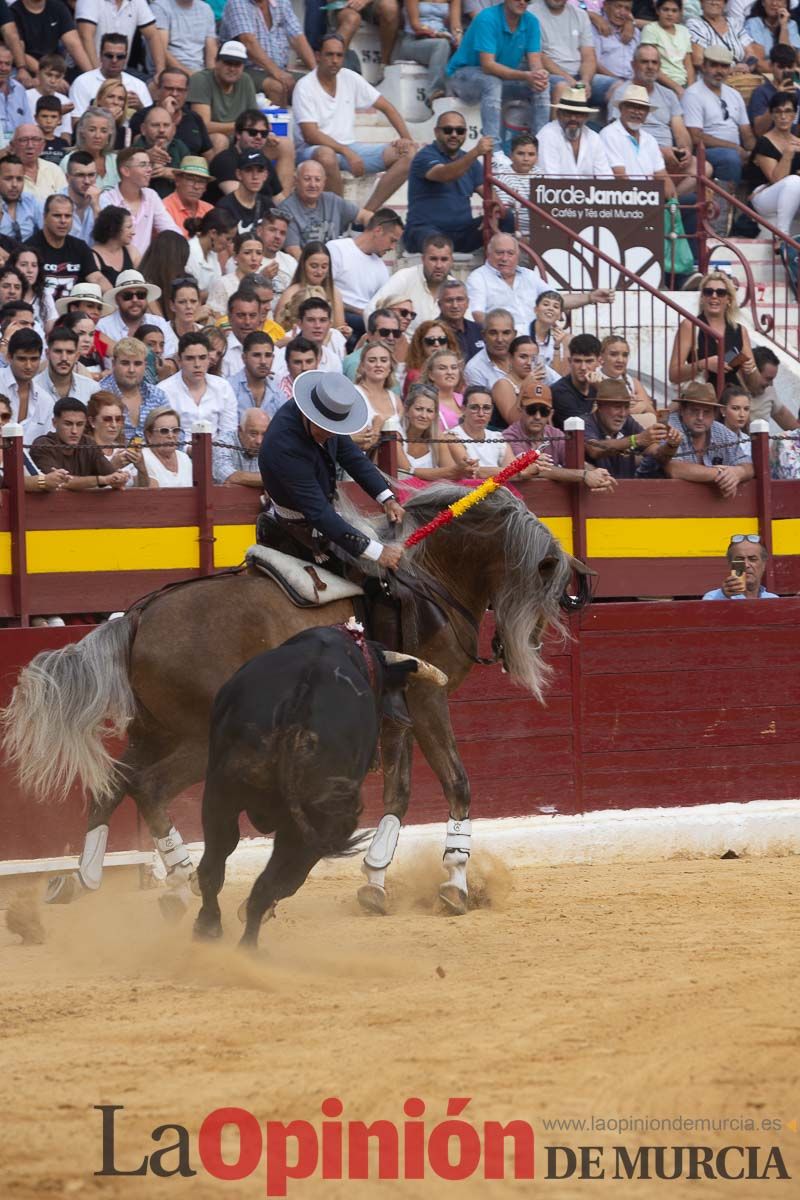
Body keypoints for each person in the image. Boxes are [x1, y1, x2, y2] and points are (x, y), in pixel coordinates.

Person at [258, 371, 405, 570]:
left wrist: (387, 498)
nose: (330, 435)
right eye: (325, 428)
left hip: (322, 512)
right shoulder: (284, 446)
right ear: (309, 415)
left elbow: (353, 458)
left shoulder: (326, 415)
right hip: (299, 524)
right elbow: (318, 513)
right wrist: (379, 552)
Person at [292, 33, 416, 213]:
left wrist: (406, 138)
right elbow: (310, 135)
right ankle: (340, 217)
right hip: (312, 151)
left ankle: (365, 215)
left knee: (408, 153)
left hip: (350, 147)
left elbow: (387, 107)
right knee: (327, 155)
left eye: (339, 55)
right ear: (318, 56)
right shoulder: (305, 86)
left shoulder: (349, 77)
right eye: (329, 54)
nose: (335, 60)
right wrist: (346, 152)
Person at [446, 0, 549, 144]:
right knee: (492, 82)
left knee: (541, 85)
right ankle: (494, 149)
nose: (522, 2)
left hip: (500, 78)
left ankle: (541, 146)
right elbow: (488, 65)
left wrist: (539, 74)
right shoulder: (487, 17)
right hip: (463, 76)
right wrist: (526, 75)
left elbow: (535, 61)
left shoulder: (531, 21)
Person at [608, 43, 705, 197]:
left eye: (654, 62)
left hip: (670, 158)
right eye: (644, 62)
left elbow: (680, 131)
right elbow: (619, 135)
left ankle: (666, 205)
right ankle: (662, 205)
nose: (650, 66)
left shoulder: (668, 94)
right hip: (638, 155)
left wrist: (684, 150)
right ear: (633, 65)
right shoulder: (623, 93)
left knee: (703, 167)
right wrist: (659, 152)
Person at [467, 232, 613, 332]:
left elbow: (555, 299)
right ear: (489, 253)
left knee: (570, 343)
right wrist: (504, 333)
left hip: (537, 339)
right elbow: (478, 315)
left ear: (517, 256)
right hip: (504, 342)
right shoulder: (478, 278)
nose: (505, 258)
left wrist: (590, 297)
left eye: (510, 253)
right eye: (499, 253)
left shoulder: (528, 275)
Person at [404, 113, 497, 254]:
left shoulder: (471, 162)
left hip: (461, 234)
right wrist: (476, 152)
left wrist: (492, 213)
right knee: (436, 242)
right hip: (426, 231)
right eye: (448, 130)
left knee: (506, 218)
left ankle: (500, 271)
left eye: (460, 131)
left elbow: (490, 195)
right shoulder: (424, 156)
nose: (454, 135)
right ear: (436, 132)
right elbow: (446, 175)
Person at [502, 376, 617, 489]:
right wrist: (584, 475)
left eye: (543, 411)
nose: (537, 416)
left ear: (551, 413)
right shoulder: (509, 436)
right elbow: (539, 470)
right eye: (531, 410)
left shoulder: (555, 434)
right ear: (521, 409)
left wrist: (597, 474)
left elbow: (576, 463)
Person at [669, 270, 757, 393]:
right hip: (704, 401)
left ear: (729, 300)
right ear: (702, 298)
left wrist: (751, 370)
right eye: (708, 292)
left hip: (732, 402)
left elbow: (755, 387)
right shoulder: (690, 326)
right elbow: (673, 375)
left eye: (721, 293)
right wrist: (703, 364)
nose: (714, 296)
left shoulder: (740, 331)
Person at [682, 46, 755, 192]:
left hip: (734, 151)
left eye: (724, 66)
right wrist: (734, 148)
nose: (719, 71)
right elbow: (696, 137)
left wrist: (755, 152)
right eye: (714, 65)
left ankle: (752, 210)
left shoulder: (734, 94)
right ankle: (723, 210)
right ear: (704, 66)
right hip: (707, 152)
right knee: (730, 158)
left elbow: (746, 133)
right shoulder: (693, 94)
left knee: (765, 156)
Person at [665, 380, 754, 496]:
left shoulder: (721, 431)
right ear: (682, 410)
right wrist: (720, 474)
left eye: (706, 412)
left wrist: (737, 473)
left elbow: (748, 465)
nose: (700, 417)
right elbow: (674, 468)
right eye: (694, 411)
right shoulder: (671, 425)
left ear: (714, 414)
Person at [218, 0, 315, 103]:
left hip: (278, 69)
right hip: (243, 70)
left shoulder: (282, 2)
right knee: (277, 87)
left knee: (314, 84)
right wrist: (278, 74)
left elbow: (297, 37)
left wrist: (316, 72)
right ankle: (280, 118)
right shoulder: (237, 3)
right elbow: (248, 42)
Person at [328, 209, 403, 341]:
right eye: (392, 240)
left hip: (367, 321)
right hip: (338, 317)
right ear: (378, 230)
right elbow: (323, 291)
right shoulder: (337, 249)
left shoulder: (381, 268)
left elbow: (383, 305)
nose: (393, 247)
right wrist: (359, 311)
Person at [583, 377, 679, 477]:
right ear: (600, 405)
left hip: (627, 489)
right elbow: (594, 449)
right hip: (598, 491)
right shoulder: (585, 423)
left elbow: (656, 454)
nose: (623, 413)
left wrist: (671, 446)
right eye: (617, 407)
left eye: (626, 407)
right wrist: (635, 440)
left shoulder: (628, 421)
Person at [98, 146, 182, 254]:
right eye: (143, 165)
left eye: (149, 164)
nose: (149, 169)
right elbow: (113, 240)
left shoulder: (151, 195)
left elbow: (169, 229)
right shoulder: (107, 199)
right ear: (125, 171)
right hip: (118, 265)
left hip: (146, 267)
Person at [30, 395, 129, 487]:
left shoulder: (88, 443)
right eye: (68, 424)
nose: (74, 431)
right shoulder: (43, 445)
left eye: (79, 424)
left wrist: (120, 478)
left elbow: (110, 475)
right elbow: (60, 482)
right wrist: (101, 480)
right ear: (55, 423)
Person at [363, 235, 455, 333]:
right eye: (433, 259)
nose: (438, 265)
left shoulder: (456, 288)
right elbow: (370, 311)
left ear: (451, 261)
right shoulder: (404, 277)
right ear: (423, 259)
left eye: (444, 259)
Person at [25, 194, 108, 300]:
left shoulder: (80, 247)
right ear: (45, 217)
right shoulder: (29, 249)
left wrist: (116, 298)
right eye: (57, 215)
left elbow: (97, 278)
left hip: (74, 313)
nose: (63, 221)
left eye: (68, 216)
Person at [600, 83, 677, 196]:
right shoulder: (609, 134)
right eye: (632, 106)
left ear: (647, 113)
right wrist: (647, 201)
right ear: (621, 109)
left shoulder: (650, 140)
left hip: (648, 200)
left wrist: (673, 202)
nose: (637, 112)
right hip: (622, 200)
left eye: (642, 108)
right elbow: (620, 177)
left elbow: (662, 176)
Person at [281, 159, 369, 258]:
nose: (313, 184)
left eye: (317, 179)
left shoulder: (332, 200)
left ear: (324, 182)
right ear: (296, 181)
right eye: (307, 179)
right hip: (304, 266)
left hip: (336, 264)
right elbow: (294, 252)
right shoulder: (286, 209)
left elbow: (365, 216)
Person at [160, 331, 238, 439]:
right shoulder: (163, 391)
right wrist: (188, 450)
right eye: (190, 358)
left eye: (202, 358)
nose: (197, 364)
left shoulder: (223, 387)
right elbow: (162, 435)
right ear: (179, 360)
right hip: (177, 453)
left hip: (217, 452)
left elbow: (229, 432)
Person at [187, 41, 260, 156]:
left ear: (243, 67)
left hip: (241, 137)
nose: (232, 68)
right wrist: (242, 126)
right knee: (220, 140)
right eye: (228, 63)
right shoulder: (200, 79)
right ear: (216, 62)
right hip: (208, 140)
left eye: (237, 64)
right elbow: (203, 126)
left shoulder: (246, 80)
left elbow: (256, 120)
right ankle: (219, 174)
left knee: (283, 145)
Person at [748, 92, 800, 238]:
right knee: (794, 181)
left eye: (788, 111)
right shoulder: (764, 142)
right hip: (764, 197)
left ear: (795, 115)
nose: (783, 117)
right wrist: (788, 153)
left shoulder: (798, 142)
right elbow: (777, 179)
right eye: (778, 111)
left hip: (793, 197)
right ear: (771, 115)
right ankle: (782, 236)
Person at [208, 107, 289, 201]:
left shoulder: (264, 161)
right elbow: (240, 201)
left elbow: (279, 200)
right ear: (238, 134)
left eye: (264, 133)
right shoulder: (224, 160)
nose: (258, 137)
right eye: (252, 132)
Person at [385, 384, 461, 481]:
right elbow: (406, 474)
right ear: (407, 410)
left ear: (434, 415)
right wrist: (455, 470)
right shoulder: (395, 432)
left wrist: (459, 470)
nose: (424, 416)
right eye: (419, 409)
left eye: (429, 411)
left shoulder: (436, 435)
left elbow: (451, 472)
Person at [99, 335, 169, 439]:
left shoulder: (158, 395)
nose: (131, 370)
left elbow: (172, 434)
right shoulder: (99, 393)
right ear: (113, 364)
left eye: (137, 364)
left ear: (145, 365)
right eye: (125, 363)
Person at [392, 0, 460, 107]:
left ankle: (461, 92)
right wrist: (436, 34)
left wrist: (458, 36)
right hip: (415, 40)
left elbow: (456, 25)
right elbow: (415, 25)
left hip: (443, 38)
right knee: (442, 45)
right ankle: (434, 92)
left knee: (458, 47)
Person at [69, 32, 153, 118]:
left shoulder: (139, 85)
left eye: (120, 57)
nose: (114, 60)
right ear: (101, 55)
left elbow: (152, 121)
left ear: (126, 58)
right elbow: (76, 123)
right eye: (109, 56)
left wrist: (141, 108)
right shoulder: (82, 82)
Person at [97, 268, 177, 357]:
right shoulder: (103, 327)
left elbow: (171, 357)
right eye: (127, 296)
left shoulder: (159, 323)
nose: (135, 300)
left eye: (140, 295)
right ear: (117, 299)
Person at [536, 87, 615, 177]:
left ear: (586, 117)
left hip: (588, 190)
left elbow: (605, 177)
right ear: (558, 114)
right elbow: (549, 179)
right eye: (568, 113)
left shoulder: (594, 138)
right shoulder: (548, 135)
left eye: (578, 114)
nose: (573, 118)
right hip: (556, 190)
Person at [530, 0, 597, 105]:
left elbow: (589, 55)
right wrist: (571, 81)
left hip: (580, 75)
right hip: (551, 75)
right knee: (563, 86)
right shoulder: (531, 13)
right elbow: (538, 55)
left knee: (617, 87)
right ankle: (555, 122)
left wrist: (585, 81)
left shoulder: (581, 15)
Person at [272, 295, 346, 385]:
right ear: (300, 323)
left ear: (330, 324)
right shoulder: (280, 357)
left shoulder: (333, 361)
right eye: (311, 320)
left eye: (323, 320)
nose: (317, 326)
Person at [75, 0, 165, 74]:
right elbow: (85, 37)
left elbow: (153, 35)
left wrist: (160, 73)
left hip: (121, 71)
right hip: (85, 70)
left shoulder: (137, 2)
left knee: (157, 87)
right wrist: (98, 75)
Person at [275, 241, 346, 332]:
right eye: (314, 266)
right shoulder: (291, 293)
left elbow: (339, 327)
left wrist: (344, 331)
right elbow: (279, 329)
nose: (319, 272)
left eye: (324, 267)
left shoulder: (335, 293)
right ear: (303, 265)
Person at [12, 0, 94, 79]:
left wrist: (91, 76)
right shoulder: (14, 12)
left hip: (55, 67)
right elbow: (19, 51)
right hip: (28, 71)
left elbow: (74, 45)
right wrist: (49, 76)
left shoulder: (58, 7)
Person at [445, 385, 514, 477]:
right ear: (463, 409)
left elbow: (514, 468)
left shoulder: (497, 437)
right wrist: (515, 472)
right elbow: (471, 471)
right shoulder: (452, 437)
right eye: (474, 407)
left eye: (486, 408)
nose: (481, 414)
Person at [0, 326, 52, 440]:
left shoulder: (46, 401)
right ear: (9, 357)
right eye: (22, 359)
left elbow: (47, 445)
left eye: (34, 359)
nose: (28, 366)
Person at [686, 0, 765, 73]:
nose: (714, 2)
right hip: (711, 80)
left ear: (724, 4)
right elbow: (698, 60)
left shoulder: (734, 23)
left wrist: (747, 67)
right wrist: (731, 70)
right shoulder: (695, 23)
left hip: (741, 79)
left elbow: (751, 54)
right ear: (701, 3)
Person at [130, 105, 189, 200]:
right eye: (155, 125)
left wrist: (173, 174)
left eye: (166, 125)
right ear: (143, 129)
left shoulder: (180, 147)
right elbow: (126, 176)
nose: (161, 130)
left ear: (174, 130)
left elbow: (194, 178)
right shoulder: (134, 150)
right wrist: (145, 157)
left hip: (176, 206)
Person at [217, 151, 281, 233]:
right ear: (239, 174)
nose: (255, 176)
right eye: (248, 170)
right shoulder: (225, 207)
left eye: (260, 171)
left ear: (265, 175)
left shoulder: (268, 205)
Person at [640, 0, 693, 99]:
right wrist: (677, 88)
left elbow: (688, 65)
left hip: (684, 85)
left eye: (674, 11)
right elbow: (650, 65)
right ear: (657, 11)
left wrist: (690, 90)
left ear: (680, 13)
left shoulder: (684, 31)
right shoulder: (651, 29)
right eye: (665, 10)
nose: (669, 14)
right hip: (660, 84)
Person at [591, 0, 640, 109]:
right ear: (606, 6)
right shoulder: (595, 27)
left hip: (631, 82)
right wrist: (618, 81)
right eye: (618, 7)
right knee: (621, 89)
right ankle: (617, 125)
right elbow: (594, 62)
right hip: (603, 80)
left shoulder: (635, 32)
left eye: (626, 8)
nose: (622, 12)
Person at [38, 324, 99, 409]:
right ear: (47, 354)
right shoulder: (33, 388)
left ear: (77, 356)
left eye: (69, 352)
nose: (64, 358)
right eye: (58, 351)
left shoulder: (92, 389)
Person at [151, 0, 218, 77]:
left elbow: (211, 51)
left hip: (199, 72)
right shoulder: (159, 7)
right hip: (171, 73)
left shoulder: (206, 9)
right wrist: (192, 76)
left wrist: (212, 78)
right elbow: (161, 50)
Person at [599, 333, 657, 422]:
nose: (620, 360)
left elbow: (652, 413)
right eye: (614, 354)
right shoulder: (594, 378)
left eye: (625, 355)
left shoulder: (632, 382)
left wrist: (643, 405)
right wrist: (630, 409)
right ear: (601, 356)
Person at [207, 230, 266, 317]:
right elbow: (214, 319)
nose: (254, 258)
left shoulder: (264, 285)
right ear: (235, 256)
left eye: (258, 253)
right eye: (247, 253)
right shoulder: (223, 283)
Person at [353, 339, 400, 444]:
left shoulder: (395, 399)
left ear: (390, 366)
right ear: (362, 365)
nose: (378, 365)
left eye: (384, 360)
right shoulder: (354, 394)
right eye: (372, 360)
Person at [551, 333, 603, 428]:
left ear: (599, 362)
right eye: (578, 361)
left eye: (589, 361)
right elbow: (581, 428)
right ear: (570, 361)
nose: (583, 367)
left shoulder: (599, 384)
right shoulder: (560, 391)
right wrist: (601, 394)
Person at [229, 330, 284, 418]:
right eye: (257, 355)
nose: (263, 361)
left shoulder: (278, 394)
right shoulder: (229, 389)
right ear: (244, 358)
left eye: (268, 355)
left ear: (273, 357)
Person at [62, 106, 119, 191]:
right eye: (92, 130)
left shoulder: (116, 161)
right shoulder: (68, 161)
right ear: (82, 131)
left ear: (110, 134)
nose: (97, 136)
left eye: (103, 131)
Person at [702, 534, 778, 599]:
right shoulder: (712, 598)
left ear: (764, 564)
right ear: (730, 564)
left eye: (752, 559)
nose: (746, 565)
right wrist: (723, 597)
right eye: (739, 559)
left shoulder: (774, 600)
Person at [748, 42, 800, 136]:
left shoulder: (797, 93)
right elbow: (759, 131)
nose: (786, 70)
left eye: (790, 66)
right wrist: (777, 98)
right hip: (770, 145)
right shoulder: (761, 92)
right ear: (771, 66)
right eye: (781, 67)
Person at [212, 406, 270, 486]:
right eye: (253, 434)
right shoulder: (222, 443)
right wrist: (270, 482)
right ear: (240, 430)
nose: (259, 441)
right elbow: (230, 477)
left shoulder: (271, 444)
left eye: (264, 434)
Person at [186, 208, 236, 298]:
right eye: (228, 239)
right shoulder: (189, 253)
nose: (229, 244)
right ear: (213, 233)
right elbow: (188, 296)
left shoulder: (213, 254)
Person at [140, 404, 194, 487]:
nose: (171, 435)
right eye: (164, 431)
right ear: (149, 435)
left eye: (175, 430)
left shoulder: (184, 458)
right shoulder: (142, 458)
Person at [11, 123, 66, 202]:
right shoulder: (5, 172)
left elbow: (64, 203)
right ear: (13, 145)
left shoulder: (54, 170)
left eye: (35, 139)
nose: (30, 145)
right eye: (24, 140)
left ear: (43, 145)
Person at [402, 318, 459, 395]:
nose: (437, 344)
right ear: (420, 344)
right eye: (430, 340)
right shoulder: (415, 375)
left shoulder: (457, 370)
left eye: (442, 340)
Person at [9, 245, 58, 332]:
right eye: (23, 265)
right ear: (13, 267)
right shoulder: (6, 293)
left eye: (34, 265)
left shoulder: (44, 295)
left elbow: (52, 328)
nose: (30, 270)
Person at [749, 344, 799, 428]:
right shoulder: (733, 390)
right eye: (768, 379)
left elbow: (781, 414)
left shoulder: (769, 391)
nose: (771, 384)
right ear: (754, 372)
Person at [464, 307, 516, 387]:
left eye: (506, 333)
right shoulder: (474, 369)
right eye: (493, 333)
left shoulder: (525, 357)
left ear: (514, 335)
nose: (500, 339)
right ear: (484, 335)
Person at [90, 205, 140, 286]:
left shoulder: (131, 251)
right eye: (129, 227)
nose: (133, 232)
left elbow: (144, 281)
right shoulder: (93, 256)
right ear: (113, 228)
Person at [419, 345, 464, 428]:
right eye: (442, 368)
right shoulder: (425, 402)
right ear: (431, 374)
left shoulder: (464, 398)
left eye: (454, 367)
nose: (450, 372)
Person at [438, 279, 482, 362]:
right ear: (440, 304)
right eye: (449, 300)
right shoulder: (432, 333)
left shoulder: (479, 330)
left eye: (460, 299)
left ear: (468, 303)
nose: (455, 305)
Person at [0, 155, 41, 241]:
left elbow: (47, 229)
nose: (15, 184)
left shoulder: (30, 201)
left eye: (19, 179)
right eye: (8, 179)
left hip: (29, 251)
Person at [62, 151, 101, 244]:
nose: (87, 181)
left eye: (91, 175)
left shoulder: (103, 202)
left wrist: (96, 206)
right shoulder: (55, 203)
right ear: (67, 178)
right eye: (80, 175)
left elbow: (107, 241)